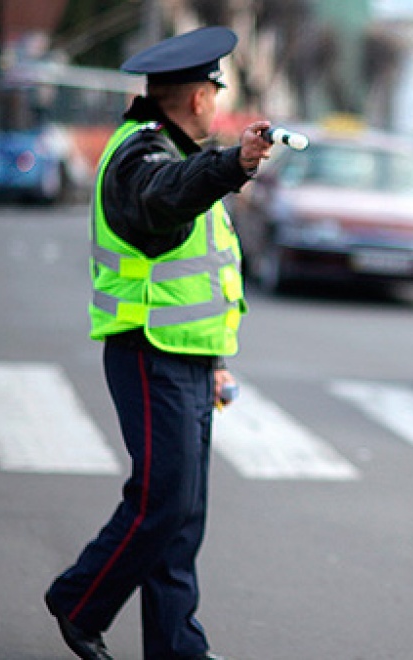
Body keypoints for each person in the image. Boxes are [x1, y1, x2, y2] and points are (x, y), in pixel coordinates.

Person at [44, 26, 274, 660]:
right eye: (214, 92)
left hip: (188, 355)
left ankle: (176, 648)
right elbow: (165, 198)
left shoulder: (171, 151)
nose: (216, 103)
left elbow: (201, 269)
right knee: (162, 502)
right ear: (200, 98)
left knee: (182, 512)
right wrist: (233, 164)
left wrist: (216, 362)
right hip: (150, 353)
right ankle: (78, 601)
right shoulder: (140, 155)